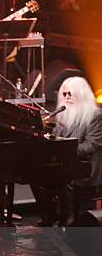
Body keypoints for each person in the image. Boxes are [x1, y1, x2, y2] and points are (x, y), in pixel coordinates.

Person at [33, 76, 102, 226]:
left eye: (71, 93)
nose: (67, 97)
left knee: (66, 179)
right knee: (36, 176)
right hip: (65, 162)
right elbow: (57, 138)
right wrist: (48, 138)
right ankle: (49, 214)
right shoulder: (63, 114)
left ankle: (69, 219)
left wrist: (64, 151)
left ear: (81, 94)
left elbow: (92, 145)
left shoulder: (95, 115)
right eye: (64, 94)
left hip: (86, 165)